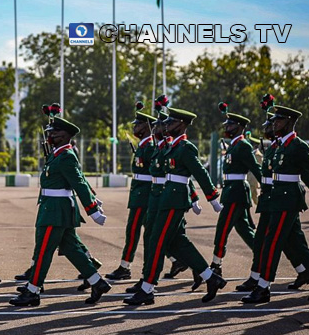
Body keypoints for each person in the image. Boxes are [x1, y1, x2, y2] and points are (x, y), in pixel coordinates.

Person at [124, 107, 226, 306]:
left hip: (174, 200)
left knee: (157, 241)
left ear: (181, 124)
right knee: (177, 243)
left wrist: (212, 198)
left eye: (170, 122)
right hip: (164, 198)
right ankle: (210, 277)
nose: (165, 125)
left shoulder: (185, 147)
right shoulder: (171, 146)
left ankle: (147, 288)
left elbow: (199, 173)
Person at [9, 116, 111, 307]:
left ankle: (32, 291)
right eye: (50, 131)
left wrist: (92, 209)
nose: (50, 135)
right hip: (53, 208)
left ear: (65, 136)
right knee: (71, 249)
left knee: (43, 251)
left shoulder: (66, 156)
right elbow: (78, 180)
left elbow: (78, 182)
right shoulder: (58, 154)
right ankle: (98, 282)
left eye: (55, 132)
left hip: (56, 211)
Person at [242, 105, 309, 303]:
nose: (274, 123)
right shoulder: (279, 145)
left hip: (287, 201)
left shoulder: (298, 146)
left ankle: (263, 287)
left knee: (272, 243)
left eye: (279, 120)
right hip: (276, 199)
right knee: (292, 241)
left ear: (289, 122)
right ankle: (305, 271)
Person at [106, 109, 156, 281]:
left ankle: (126, 267)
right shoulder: (143, 146)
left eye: (139, 124)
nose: (135, 127)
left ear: (147, 127)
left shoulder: (149, 147)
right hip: (139, 195)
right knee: (137, 231)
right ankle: (176, 259)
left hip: (144, 196)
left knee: (135, 231)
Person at [209, 112, 260, 276]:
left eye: (230, 125)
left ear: (239, 127)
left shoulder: (243, 145)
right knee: (244, 229)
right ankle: (263, 255)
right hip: (231, 191)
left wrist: (269, 186)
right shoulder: (234, 144)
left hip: (236, 193)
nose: (227, 127)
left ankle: (216, 264)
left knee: (222, 228)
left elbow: (255, 168)